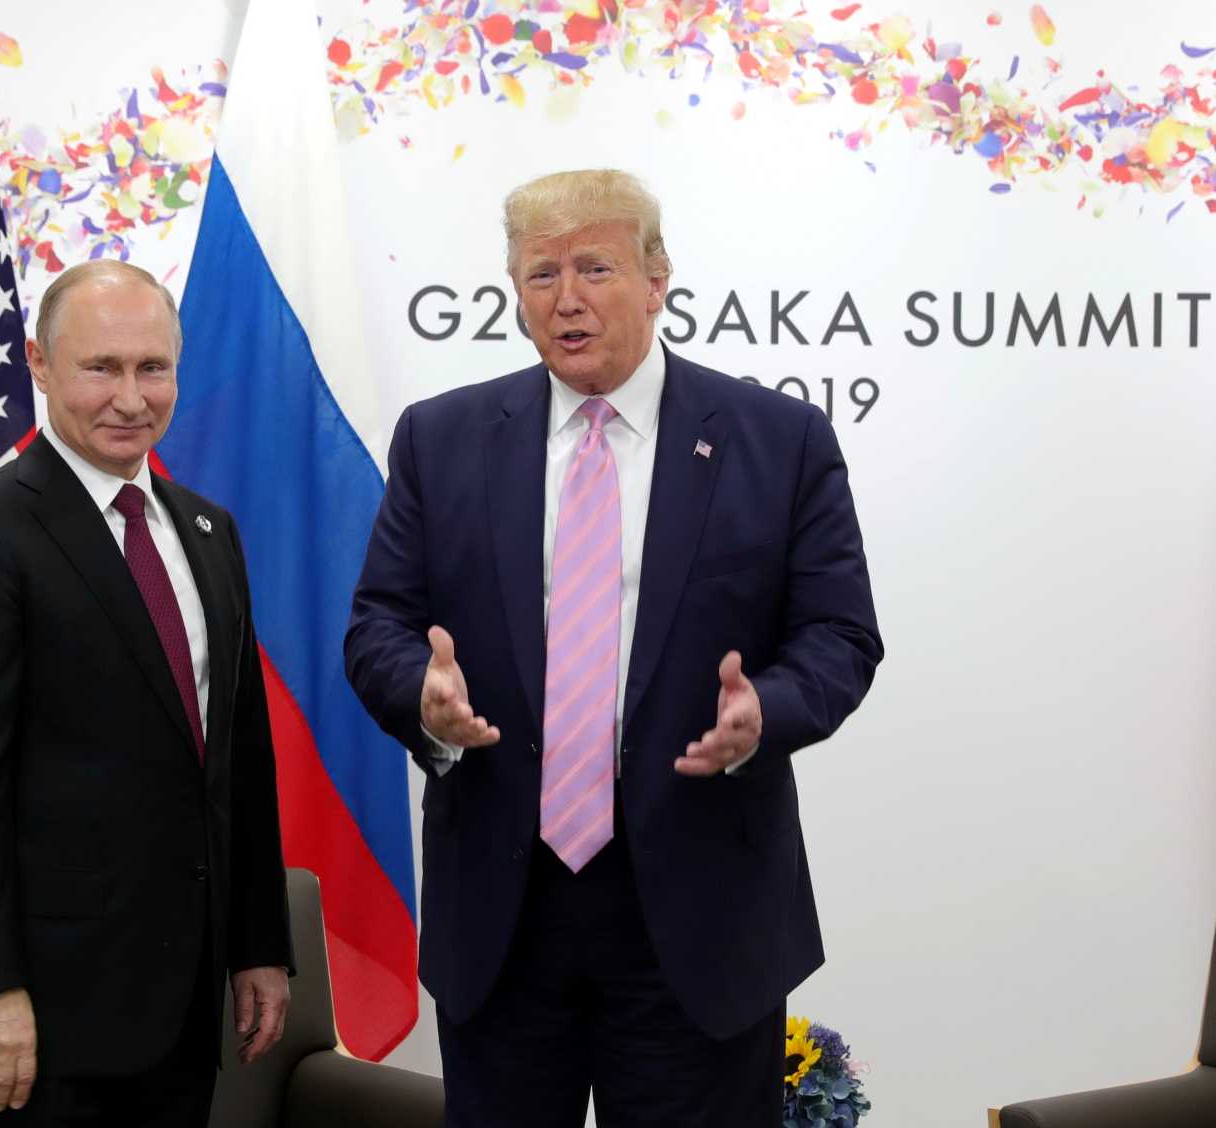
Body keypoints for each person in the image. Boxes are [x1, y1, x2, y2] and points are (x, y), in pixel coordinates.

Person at [344, 169, 883, 1127]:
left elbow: (840, 635)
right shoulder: (443, 439)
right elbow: (379, 625)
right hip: (504, 918)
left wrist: (768, 710)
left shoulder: (778, 439)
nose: (569, 298)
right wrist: (422, 702)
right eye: (541, 273)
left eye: (596, 266)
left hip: (702, 912)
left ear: (657, 275)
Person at [0, 260, 292, 1126]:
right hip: (38, 1018)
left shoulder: (206, 529)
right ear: (39, 364)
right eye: (101, 368)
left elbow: (238, 756)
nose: (131, 397)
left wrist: (258, 944)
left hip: (183, 1009)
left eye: (152, 368)